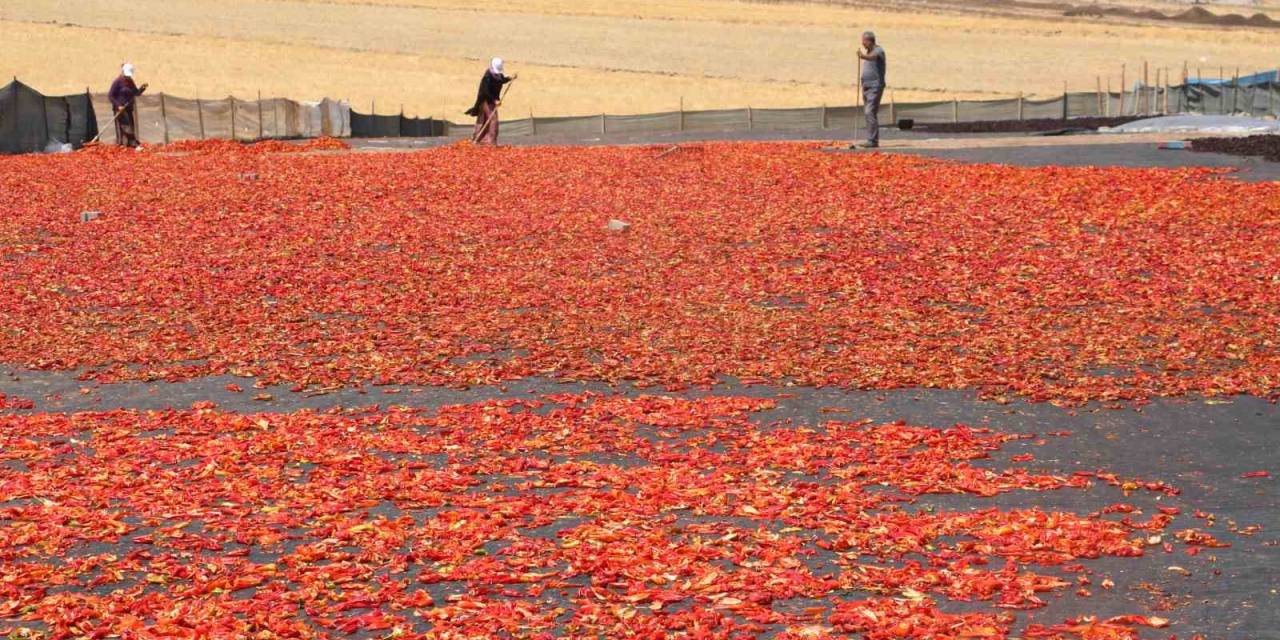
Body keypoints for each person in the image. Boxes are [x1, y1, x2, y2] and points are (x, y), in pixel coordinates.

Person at [466, 58, 516, 145]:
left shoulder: (498, 75)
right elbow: (485, 91)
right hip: (485, 100)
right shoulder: (487, 77)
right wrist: (494, 100)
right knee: (492, 120)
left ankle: (482, 140)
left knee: (487, 119)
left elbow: (501, 81)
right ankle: (488, 141)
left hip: (492, 101)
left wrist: (510, 78)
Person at [855, 32, 886, 148]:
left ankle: (873, 141)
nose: (862, 44)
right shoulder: (869, 51)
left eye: (864, 41)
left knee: (869, 112)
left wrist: (863, 56)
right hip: (867, 86)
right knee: (869, 113)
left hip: (875, 86)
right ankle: (871, 139)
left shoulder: (879, 51)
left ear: (869, 41)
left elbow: (873, 58)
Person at [108, 63, 148, 148]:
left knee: (130, 125)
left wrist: (142, 88)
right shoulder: (117, 82)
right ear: (123, 72)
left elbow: (135, 93)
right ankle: (131, 144)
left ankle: (128, 144)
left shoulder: (130, 81)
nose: (128, 77)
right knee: (125, 126)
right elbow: (110, 95)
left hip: (128, 107)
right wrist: (118, 105)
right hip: (120, 109)